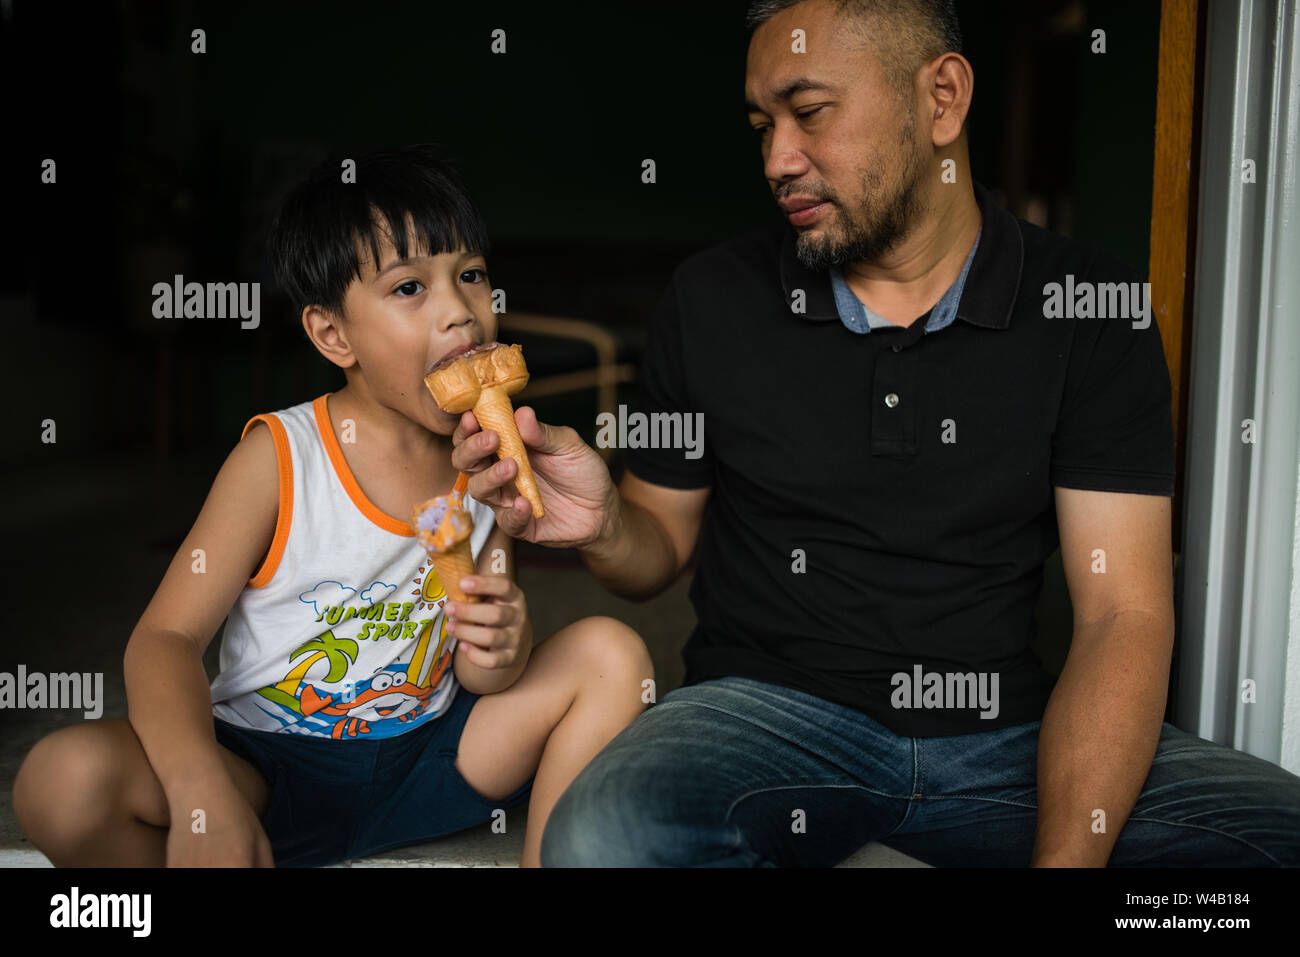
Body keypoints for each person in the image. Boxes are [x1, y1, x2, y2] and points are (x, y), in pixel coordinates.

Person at [450, 0, 1300, 866]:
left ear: (943, 98)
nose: (778, 159)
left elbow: (1122, 613)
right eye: (762, 125)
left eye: (811, 112)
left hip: (1007, 738)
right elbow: (658, 546)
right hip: (760, 719)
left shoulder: (1089, 309)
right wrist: (603, 526)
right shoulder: (712, 298)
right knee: (606, 838)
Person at [12, 145, 653, 868]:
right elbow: (164, 640)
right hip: (268, 768)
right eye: (409, 287)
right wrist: (203, 797)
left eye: (470, 275)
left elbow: (483, 675)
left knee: (614, 654)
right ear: (332, 334)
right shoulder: (279, 458)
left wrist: (503, 643)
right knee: (61, 782)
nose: (460, 313)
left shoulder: (490, 461)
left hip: (435, 756)